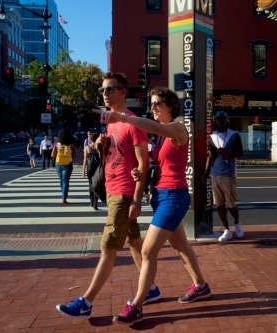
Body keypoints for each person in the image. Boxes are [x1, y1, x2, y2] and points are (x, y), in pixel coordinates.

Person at [96, 87, 211, 325]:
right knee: (181, 246)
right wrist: (141, 172)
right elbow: (160, 162)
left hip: (174, 197)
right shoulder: (159, 136)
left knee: (148, 251)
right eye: (152, 104)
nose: (153, 107)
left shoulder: (177, 128)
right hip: (160, 196)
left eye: (158, 103)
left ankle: (136, 305)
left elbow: (157, 127)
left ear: (170, 105)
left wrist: (124, 118)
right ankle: (201, 285)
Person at [55, 72, 160, 319]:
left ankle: (87, 302)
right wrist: (101, 147)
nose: (105, 93)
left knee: (107, 248)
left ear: (123, 92)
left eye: (111, 89)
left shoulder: (133, 123)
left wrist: (136, 198)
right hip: (112, 190)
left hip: (123, 194)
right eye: (103, 89)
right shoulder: (111, 122)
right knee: (134, 243)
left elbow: (143, 163)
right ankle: (152, 289)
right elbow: (114, 158)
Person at [205, 110, 244, 242]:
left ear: (227, 120)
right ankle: (227, 230)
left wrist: (227, 152)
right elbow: (210, 156)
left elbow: (240, 152)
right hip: (215, 173)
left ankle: (237, 223)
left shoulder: (234, 135)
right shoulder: (212, 137)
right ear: (215, 121)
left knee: (231, 203)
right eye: (218, 120)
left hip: (228, 174)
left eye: (223, 120)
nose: (220, 122)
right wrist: (206, 173)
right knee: (219, 204)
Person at [51, 130, 77, 204]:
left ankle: (63, 193)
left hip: (58, 164)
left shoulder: (57, 144)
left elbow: (52, 155)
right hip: (68, 164)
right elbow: (74, 156)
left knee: (61, 179)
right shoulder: (71, 145)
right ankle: (64, 198)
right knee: (66, 181)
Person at [82, 131, 100, 210]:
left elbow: (85, 160)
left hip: (90, 168)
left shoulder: (87, 148)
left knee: (90, 185)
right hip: (97, 168)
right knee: (97, 185)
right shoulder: (99, 147)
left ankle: (91, 202)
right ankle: (96, 203)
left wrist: (83, 171)